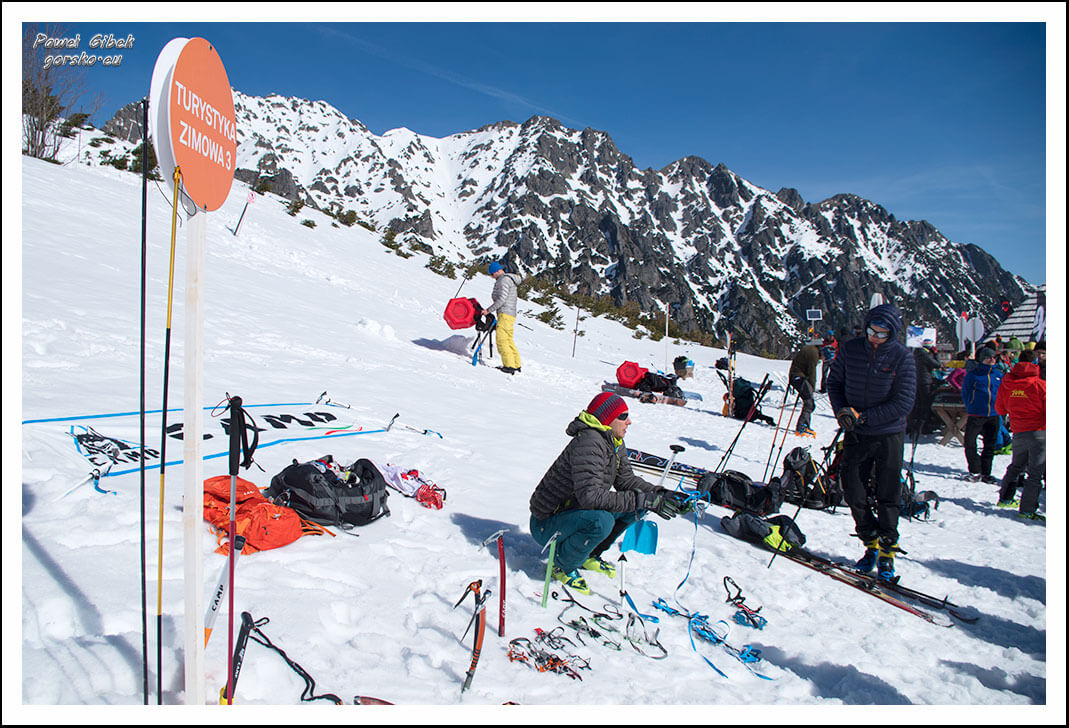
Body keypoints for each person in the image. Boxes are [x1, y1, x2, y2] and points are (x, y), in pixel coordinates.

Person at [528, 392, 687, 594]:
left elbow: (626, 481)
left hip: (574, 514)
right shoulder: (589, 442)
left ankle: (587, 555)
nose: (629, 421)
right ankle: (562, 566)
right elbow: (591, 497)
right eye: (623, 416)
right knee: (602, 521)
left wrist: (661, 494)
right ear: (607, 418)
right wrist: (644, 500)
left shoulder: (613, 440)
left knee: (633, 505)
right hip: (547, 524)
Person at [827, 303, 916, 581]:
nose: (875, 337)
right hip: (856, 432)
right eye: (871, 330)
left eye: (882, 333)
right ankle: (870, 542)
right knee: (852, 488)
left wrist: (863, 417)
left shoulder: (903, 357)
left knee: (888, 492)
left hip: (888, 433)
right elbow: (834, 384)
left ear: (893, 333)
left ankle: (888, 549)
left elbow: (904, 402)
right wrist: (842, 411)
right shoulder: (851, 349)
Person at [994, 349, 1045, 520]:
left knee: (1016, 466)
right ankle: (1027, 510)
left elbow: (1000, 408)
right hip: (1039, 431)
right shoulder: (1040, 385)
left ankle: (1005, 498)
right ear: (1035, 364)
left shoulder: (1008, 383)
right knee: (1035, 473)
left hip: (1018, 430)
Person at [960, 347, 1004, 483]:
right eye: (988, 357)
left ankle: (986, 472)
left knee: (990, 444)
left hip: (994, 414)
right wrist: (971, 406)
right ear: (981, 359)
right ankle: (974, 470)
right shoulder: (973, 374)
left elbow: (1003, 392)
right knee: (970, 442)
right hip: (976, 414)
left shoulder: (998, 374)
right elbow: (965, 392)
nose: (991, 360)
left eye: (993, 357)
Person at [483, 261, 523, 374]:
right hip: (509, 314)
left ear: (496, 271)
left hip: (505, 313)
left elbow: (502, 299)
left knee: (502, 340)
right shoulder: (507, 279)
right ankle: (516, 364)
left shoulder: (503, 280)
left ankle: (509, 366)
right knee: (508, 339)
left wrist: (488, 310)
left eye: (492, 274)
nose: (491, 277)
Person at [908, 339, 942, 437]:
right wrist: (936, 354)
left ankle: (914, 426)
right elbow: (937, 364)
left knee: (918, 404)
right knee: (925, 404)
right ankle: (924, 427)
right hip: (925, 381)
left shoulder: (916, 353)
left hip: (918, 380)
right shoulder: (925, 355)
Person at [788, 341, 820, 437]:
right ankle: (802, 426)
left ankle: (804, 425)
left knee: (809, 402)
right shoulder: (814, 354)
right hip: (800, 378)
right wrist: (812, 388)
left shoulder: (810, 349)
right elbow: (812, 372)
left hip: (796, 376)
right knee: (809, 403)